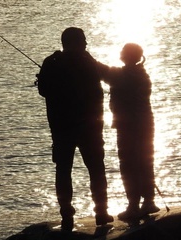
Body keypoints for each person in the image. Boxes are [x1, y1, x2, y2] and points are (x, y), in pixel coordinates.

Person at [36, 27, 113, 231]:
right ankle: (101, 213)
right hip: (90, 127)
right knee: (96, 169)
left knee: (63, 171)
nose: (87, 44)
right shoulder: (88, 61)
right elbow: (109, 76)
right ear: (77, 42)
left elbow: (43, 90)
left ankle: (67, 216)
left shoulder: (51, 63)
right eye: (84, 40)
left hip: (61, 127)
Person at [102, 43, 160, 221]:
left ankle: (134, 205)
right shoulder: (142, 74)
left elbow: (100, 70)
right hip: (145, 123)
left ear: (126, 56)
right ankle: (148, 201)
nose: (120, 53)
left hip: (128, 126)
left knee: (128, 164)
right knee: (145, 161)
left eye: (122, 51)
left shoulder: (121, 75)